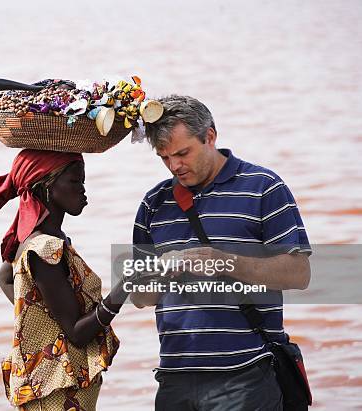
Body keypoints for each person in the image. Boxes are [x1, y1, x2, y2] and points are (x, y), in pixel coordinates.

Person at [131, 95, 311, 410]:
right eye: (165, 158)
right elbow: (139, 297)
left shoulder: (264, 187)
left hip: (246, 373)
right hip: (174, 376)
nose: (175, 166)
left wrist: (222, 262)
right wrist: (160, 271)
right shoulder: (153, 203)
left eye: (183, 153)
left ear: (210, 137)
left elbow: (298, 273)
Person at [0, 149, 125, 410]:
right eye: (75, 182)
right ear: (47, 187)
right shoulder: (43, 249)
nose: (84, 190)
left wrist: (41, 319)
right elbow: (76, 333)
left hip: (57, 385)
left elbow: (5, 278)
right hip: (56, 393)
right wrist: (124, 290)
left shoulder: (41, 240)